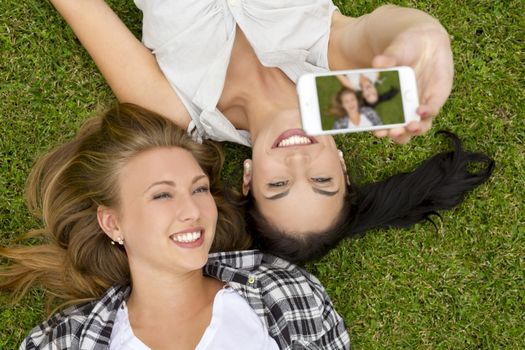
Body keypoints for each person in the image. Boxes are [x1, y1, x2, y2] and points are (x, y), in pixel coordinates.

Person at [47, 0, 455, 241]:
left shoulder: (174, 107)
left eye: (277, 185)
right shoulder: (334, 68)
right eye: (321, 180)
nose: (298, 164)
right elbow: (382, 28)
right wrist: (427, 37)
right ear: (342, 165)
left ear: (248, 178)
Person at [0, 104, 350, 349]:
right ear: (112, 222)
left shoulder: (288, 293)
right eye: (162, 195)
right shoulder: (62, 342)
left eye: (198, 189)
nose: (192, 211)